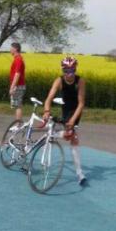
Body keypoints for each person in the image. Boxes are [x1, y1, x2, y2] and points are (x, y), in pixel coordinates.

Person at [43, 56, 87, 186]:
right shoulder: (59, 81)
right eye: (66, 71)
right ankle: (80, 174)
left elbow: (81, 103)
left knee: (71, 137)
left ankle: (79, 174)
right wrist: (46, 111)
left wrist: (73, 120)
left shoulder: (80, 81)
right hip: (66, 110)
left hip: (76, 111)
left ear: (75, 69)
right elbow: (49, 98)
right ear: (63, 70)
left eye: (72, 70)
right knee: (71, 137)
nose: (69, 74)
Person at [9, 41, 26, 122]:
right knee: (17, 105)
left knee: (18, 105)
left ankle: (18, 124)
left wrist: (12, 87)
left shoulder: (18, 60)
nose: (10, 50)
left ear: (15, 49)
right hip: (18, 85)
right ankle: (19, 123)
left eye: (11, 48)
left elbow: (17, 74)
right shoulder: (18, 59)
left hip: (18, 86)